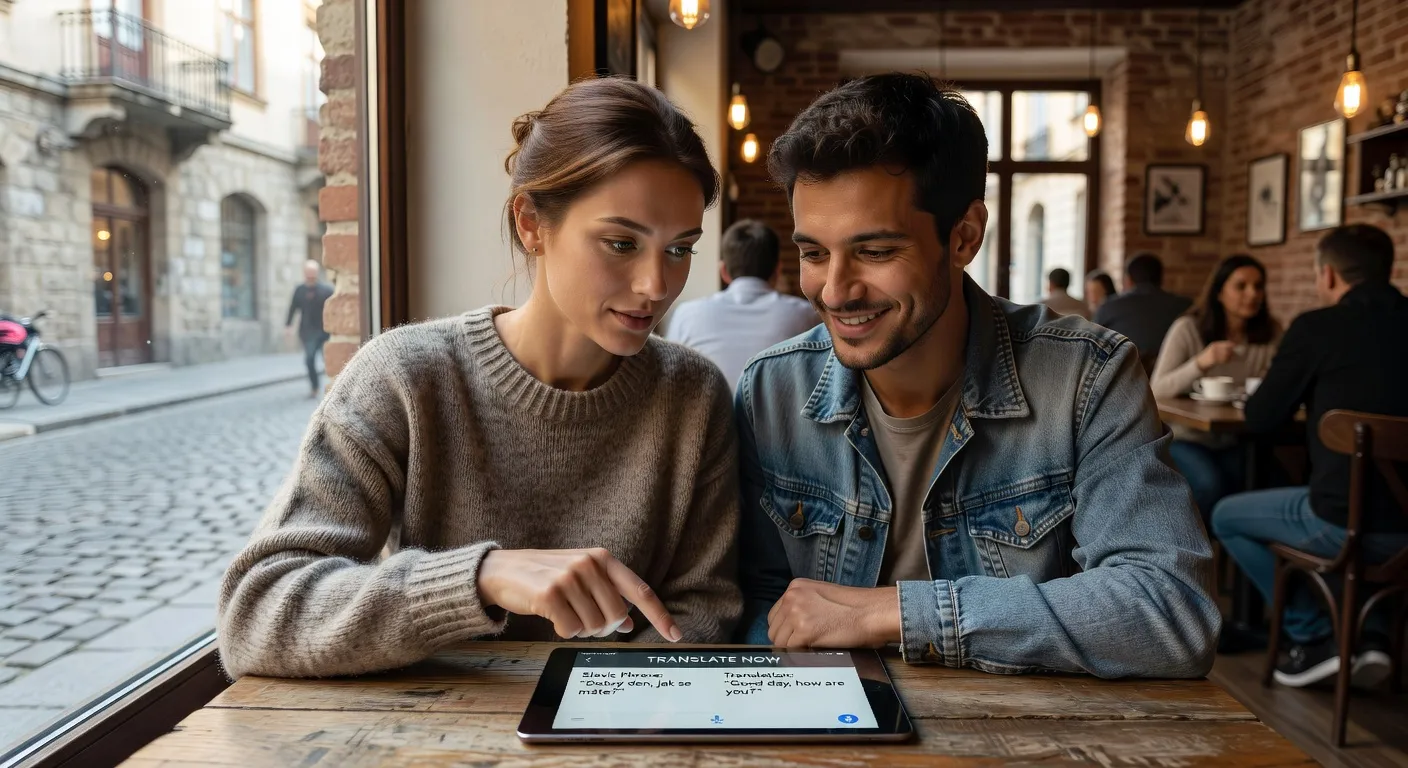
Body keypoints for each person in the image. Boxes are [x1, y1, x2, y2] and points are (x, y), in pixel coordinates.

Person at [219, 77, 742, 679]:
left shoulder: (693, 396)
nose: (656, 286)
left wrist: (588, 709)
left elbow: (703, 611)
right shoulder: (406, 378)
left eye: (680, 250)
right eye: (621, 242)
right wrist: (479, 578)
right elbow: (254, 614)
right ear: (530, 223)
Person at [736, 73, 1218, 678]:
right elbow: (757, 602)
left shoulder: (1085, 378)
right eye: (813, 254)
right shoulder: (770, 392)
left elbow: (1170, 610)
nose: (835, 291)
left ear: (964, 237)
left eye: (876, 252)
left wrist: (901, 614)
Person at [1212, 224, 1408, 689]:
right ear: (1389, 269)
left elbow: (1260, 417)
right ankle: (1372, 634)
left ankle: (1313, 634)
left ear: (1329, 276)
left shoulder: (1318, 328)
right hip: (1405, 528)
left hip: (1341, 522)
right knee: (1376, 507)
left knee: (1226, 515)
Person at [1151, 254, 1281, 519]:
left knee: (1271, 481)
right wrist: (1202, 362)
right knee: (1211, 485)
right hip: (1186, 437)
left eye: (1258, 286)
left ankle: (1235, 553)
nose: (1252, 294)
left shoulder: (1271, 333)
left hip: (1240, 437)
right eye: (1241, 286)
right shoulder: (1189, 328)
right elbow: (1156, 390)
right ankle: (1196, 554)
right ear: (1220, 292)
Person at [664, 219, 817, 390]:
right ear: (778, 270)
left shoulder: (686, 314)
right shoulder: (807, 315)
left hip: (709, 415)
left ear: (723, 271)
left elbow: (669, 379)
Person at [1093, 253, 1193, 369]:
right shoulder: (1186, 306)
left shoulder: (1108, 306)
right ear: (1161, 279)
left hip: (1122, 377)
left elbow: (1091, 348)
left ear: (1128, 280)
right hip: (1173, 379)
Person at [285, 261, 335, 398]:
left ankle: (335, 387)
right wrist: (288, 325)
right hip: (307, 332)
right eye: (308, 272)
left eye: (313, 272)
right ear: (304, 273)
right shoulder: (299, 290)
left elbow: (334, 308)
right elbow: (293, 308)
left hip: (325, 331)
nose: (310, 275)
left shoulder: (326, 290)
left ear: (317, 273)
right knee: (309, 359)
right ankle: (314, 387)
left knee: (329, 361)